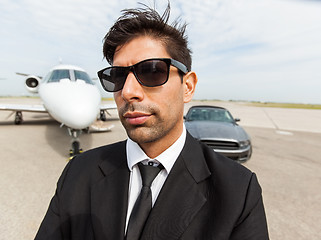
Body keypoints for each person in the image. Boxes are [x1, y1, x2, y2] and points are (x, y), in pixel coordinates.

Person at [35, 3, 269, 240]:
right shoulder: (78, 172)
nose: (127, 92)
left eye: (152, 71)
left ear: (187, 87)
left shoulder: (238, 191)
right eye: (116, 77)